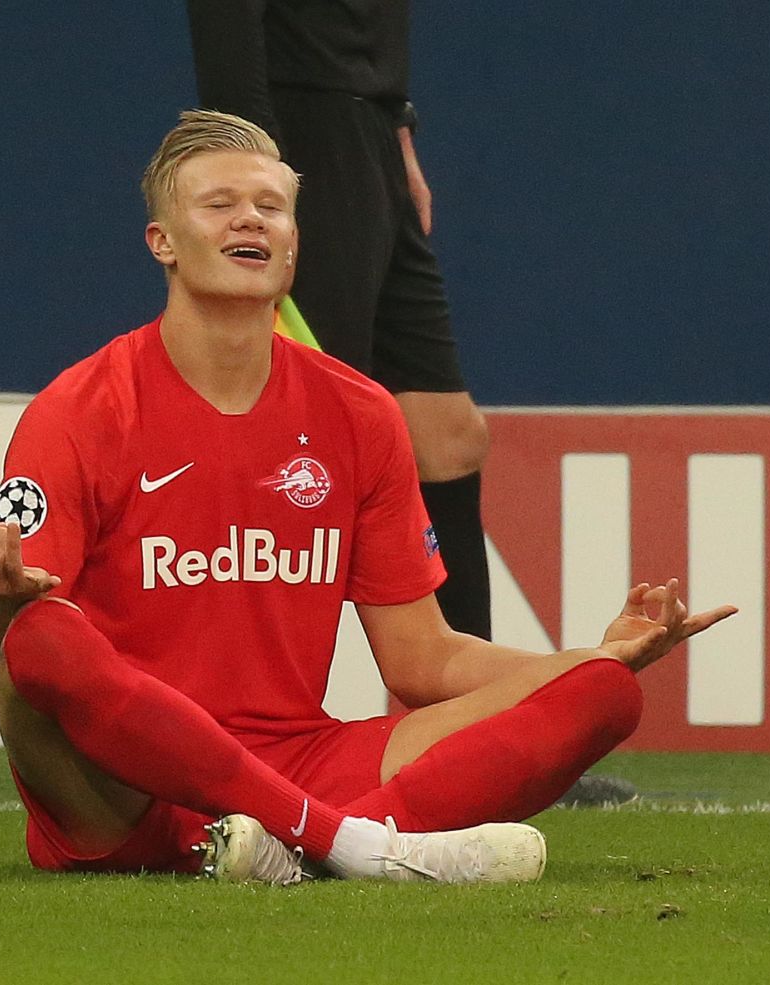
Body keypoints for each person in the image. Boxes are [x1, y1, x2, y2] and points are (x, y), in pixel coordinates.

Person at [0, 111, 735, 885]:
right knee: (41, 638)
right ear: (162, 241)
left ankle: (282, 846)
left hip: (302, 758)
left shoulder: (359, 413)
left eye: (270, 205)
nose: (249, 218)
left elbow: (423, 658)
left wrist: (592, 659)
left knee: (604, 695)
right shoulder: (83, 406)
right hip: (124, 792)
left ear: (292, 244)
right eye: (219, 203)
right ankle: (358, 848)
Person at [186, 0, 492, 641]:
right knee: (291, 442)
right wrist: (255, 176)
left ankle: (476, 721)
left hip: (370, 134)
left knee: (448, 437)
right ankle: (227, 700)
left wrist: (397, 130)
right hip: (297, 139)